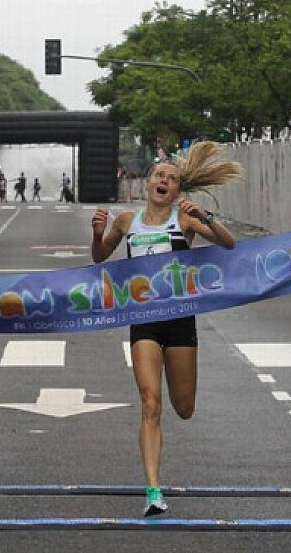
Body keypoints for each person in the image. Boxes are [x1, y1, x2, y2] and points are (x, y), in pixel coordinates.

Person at [90, 141, 242, 517]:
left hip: (180, 320)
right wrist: (98, 233)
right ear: (148, 183)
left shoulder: (185, 220)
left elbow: (228, 244)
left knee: (184, 407)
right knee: (150, 403)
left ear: (177, 190)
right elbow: (100, 256)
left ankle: (156, 483)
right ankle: (153, 491)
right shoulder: (127, 222)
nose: (163, 181)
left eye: (171, 179)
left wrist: (205, 216)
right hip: (143, 320)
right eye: (159, 175)